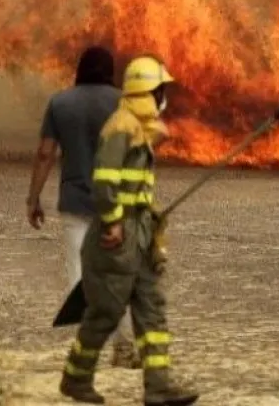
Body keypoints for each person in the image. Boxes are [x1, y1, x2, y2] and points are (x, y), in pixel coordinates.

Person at [58, 55, 199, 406]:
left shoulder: (138, 127)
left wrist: (148, 221)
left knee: (152, 308)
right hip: (117, 238)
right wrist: (113, 221)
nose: (164, 98)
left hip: (140, 233)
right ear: (149, 92)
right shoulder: (121, 127)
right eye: (161, 91)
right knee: (105, 312)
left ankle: (158, 386)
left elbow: (139, 176)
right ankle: (76, 378)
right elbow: (104, 181)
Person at [25, 46, 139, 368]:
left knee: (80, 276)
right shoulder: (125, 104)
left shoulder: (60, 103)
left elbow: (45, 154)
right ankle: (124, 346)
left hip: (75, 203)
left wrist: (33, 198)